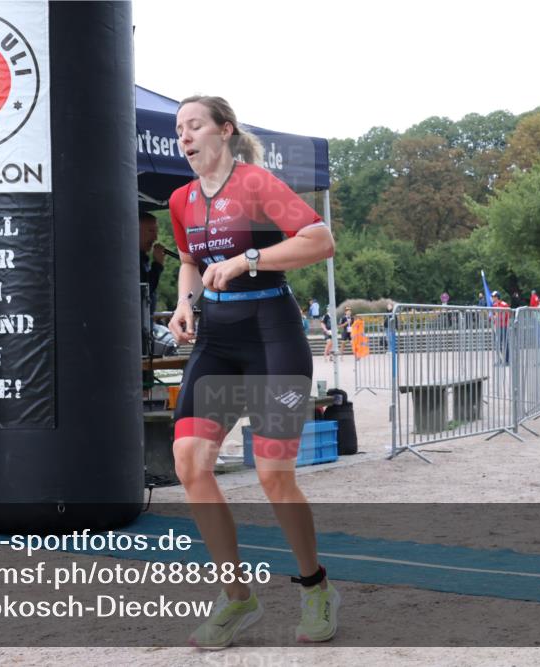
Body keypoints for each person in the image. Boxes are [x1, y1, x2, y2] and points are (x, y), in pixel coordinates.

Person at [166, 95, 338, 648]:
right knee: (190, 462)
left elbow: (320, 240)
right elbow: (191, 261)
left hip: (273, 337)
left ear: (225, 130)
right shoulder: (181, 200)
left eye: (194, 126)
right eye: (178, 130)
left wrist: (247, 261)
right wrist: (184, 304)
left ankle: (315, 587)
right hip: (218, 341)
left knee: (272, 474)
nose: (185, 137)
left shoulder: (257, 185)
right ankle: (237, 598)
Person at [139, 211, 165, 322]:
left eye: (156, 232)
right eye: (151, 231)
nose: (155, 237)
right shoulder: (130, 260)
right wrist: (157, 265)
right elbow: (145, 290)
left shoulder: (143, 258)